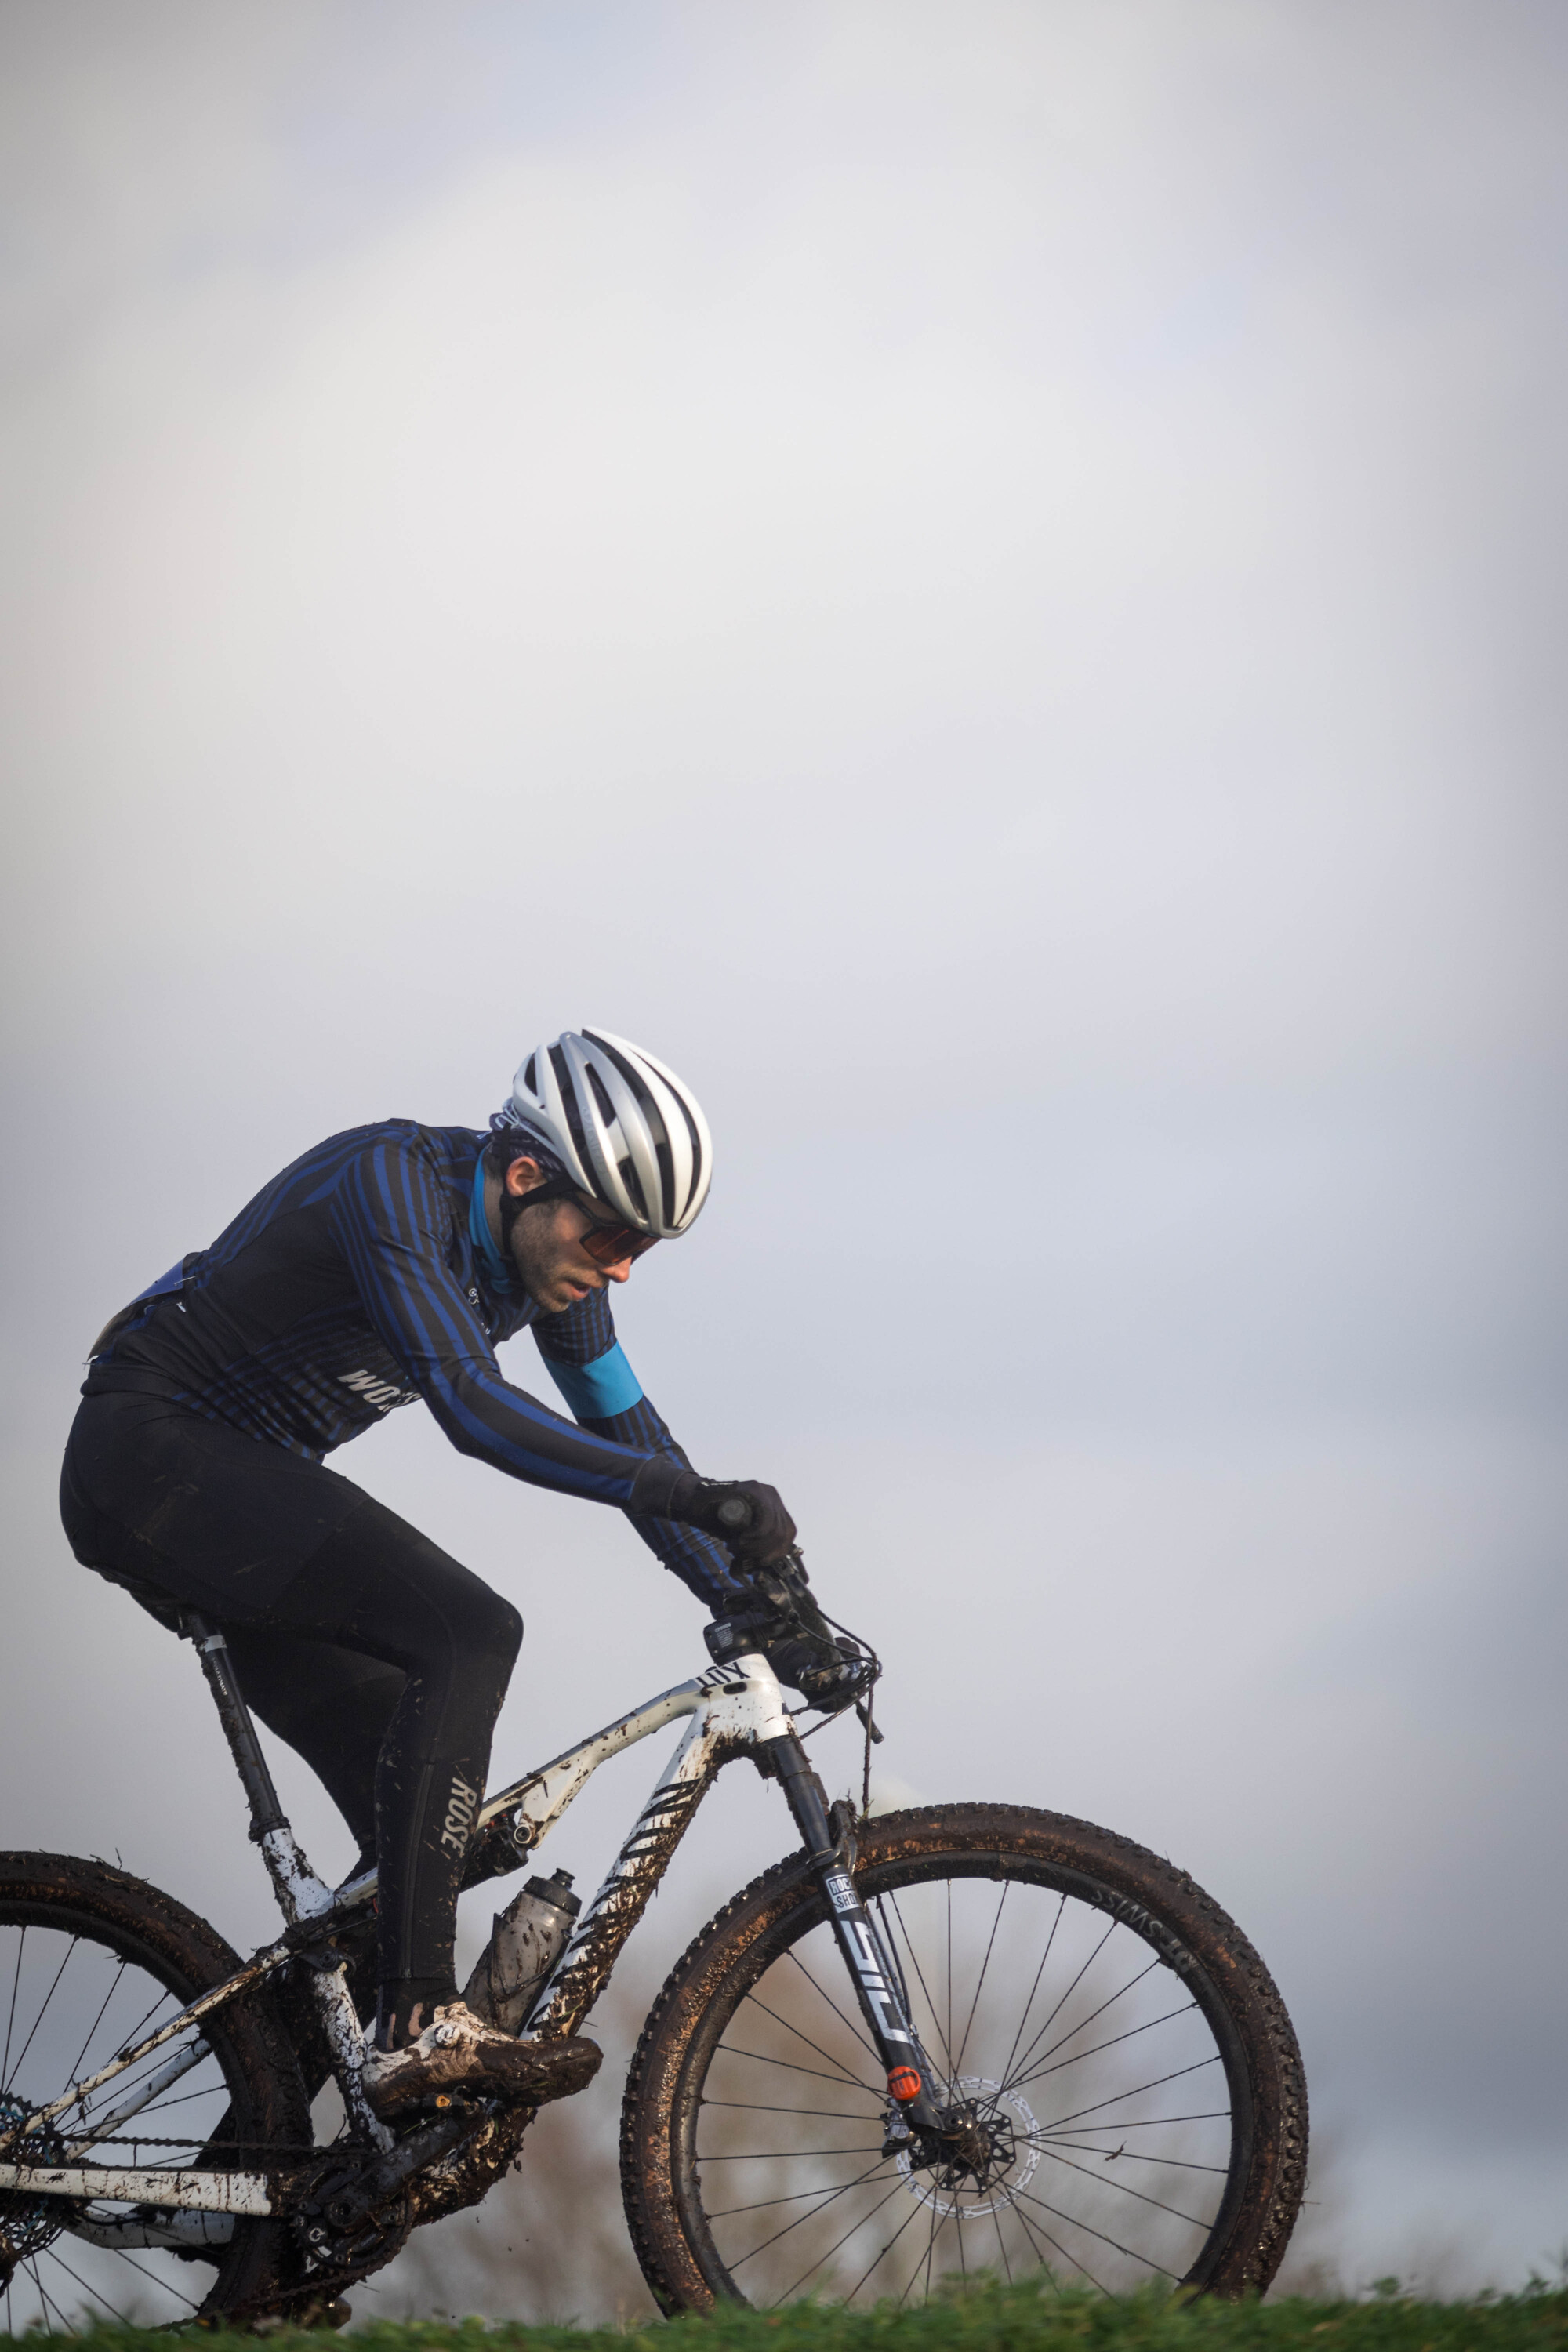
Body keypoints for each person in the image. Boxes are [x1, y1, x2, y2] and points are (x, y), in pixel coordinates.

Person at [59, 1028, 854, 2121]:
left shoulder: (559, 1274)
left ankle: (270, 2189)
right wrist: (693, 1496)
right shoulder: (388, 1186)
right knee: (469, 1631)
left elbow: (632, 1433)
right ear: (527, 1175)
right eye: (614, 1231)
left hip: (234, 1500)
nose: (620, 1265)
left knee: (423, 1848)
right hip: (147, 1453)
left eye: (646, 1249)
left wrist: (757, 1596)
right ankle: (420, 2026)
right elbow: (476, 1413)